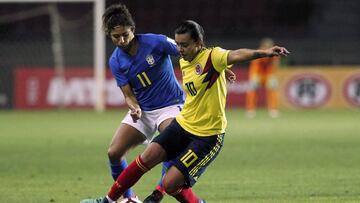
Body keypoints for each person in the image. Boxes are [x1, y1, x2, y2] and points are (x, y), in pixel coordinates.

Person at [81, 20, 289, 203]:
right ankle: (111, 200)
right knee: (145, 158)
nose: (179, 49)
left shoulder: (213, 56)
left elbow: (236, 54)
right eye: (178, 44)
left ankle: (171, 195)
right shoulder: (183, 59)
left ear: (199, 43)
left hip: (207, 135)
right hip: (183, 125)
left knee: (171, 184)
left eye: (184, 44)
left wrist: (264, 53)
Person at [80, 4, 236, 203]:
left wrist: (216, 67)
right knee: (114, 152)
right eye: (115, 37)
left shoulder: (157, 42)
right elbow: (127, 94)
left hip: (171, 106)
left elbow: (191, 51)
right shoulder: (115, 61)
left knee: (170, 138)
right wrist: (133, 106)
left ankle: (159, 192)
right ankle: (130, 199)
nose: (121, 40)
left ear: (133, 30)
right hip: (143, 110)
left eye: (124, 35)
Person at [245, 38, 280, 118]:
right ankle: (250, 110)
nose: (267, 47)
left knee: (273, 90)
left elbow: (274, 66)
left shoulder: (274, 53)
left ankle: (273, 109)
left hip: (269, 74)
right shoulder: (258, 52)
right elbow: (255, 66)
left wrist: (272, 76)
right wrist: (254, 76)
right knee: (252, 91)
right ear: (262, 46)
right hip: (257, 74)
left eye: (269, 46)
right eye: (266, 46)